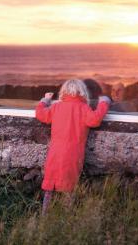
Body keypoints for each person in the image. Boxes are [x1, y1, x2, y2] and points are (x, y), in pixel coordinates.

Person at [35, 79, 111, 214]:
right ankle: (66, 215)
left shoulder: (56, 107)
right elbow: (95, 120)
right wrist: (104, 102)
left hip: (55, 153)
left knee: (50, 185)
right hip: (73, 154)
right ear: (82, 93)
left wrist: (44, 101)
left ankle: (44, 215)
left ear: (63, 92)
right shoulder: (83, 108)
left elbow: (41, 114)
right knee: (69, 186)